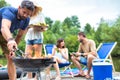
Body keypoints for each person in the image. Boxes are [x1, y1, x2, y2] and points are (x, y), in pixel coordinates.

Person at [0, 0, 35, 80]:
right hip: (4, 31)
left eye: (28, 14)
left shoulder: (26, 20)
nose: (26, 15)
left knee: (11, 58)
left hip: (5, 35)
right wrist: (10, 40)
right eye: (24, 12)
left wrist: (13, 49)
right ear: (19, 7)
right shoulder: (9, 12)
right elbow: (4, 27)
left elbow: (19, 36)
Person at [24, 2, 47, 79]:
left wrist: (39, 27)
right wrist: (27, 27)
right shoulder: (27, 14)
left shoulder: (40, 14)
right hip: (28, 37)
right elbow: (23, 27)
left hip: (38, 37)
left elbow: (44, 28)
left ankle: (36, 77)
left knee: (37, 58)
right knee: (27, 57)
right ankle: (29, 77)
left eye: (34, 7)